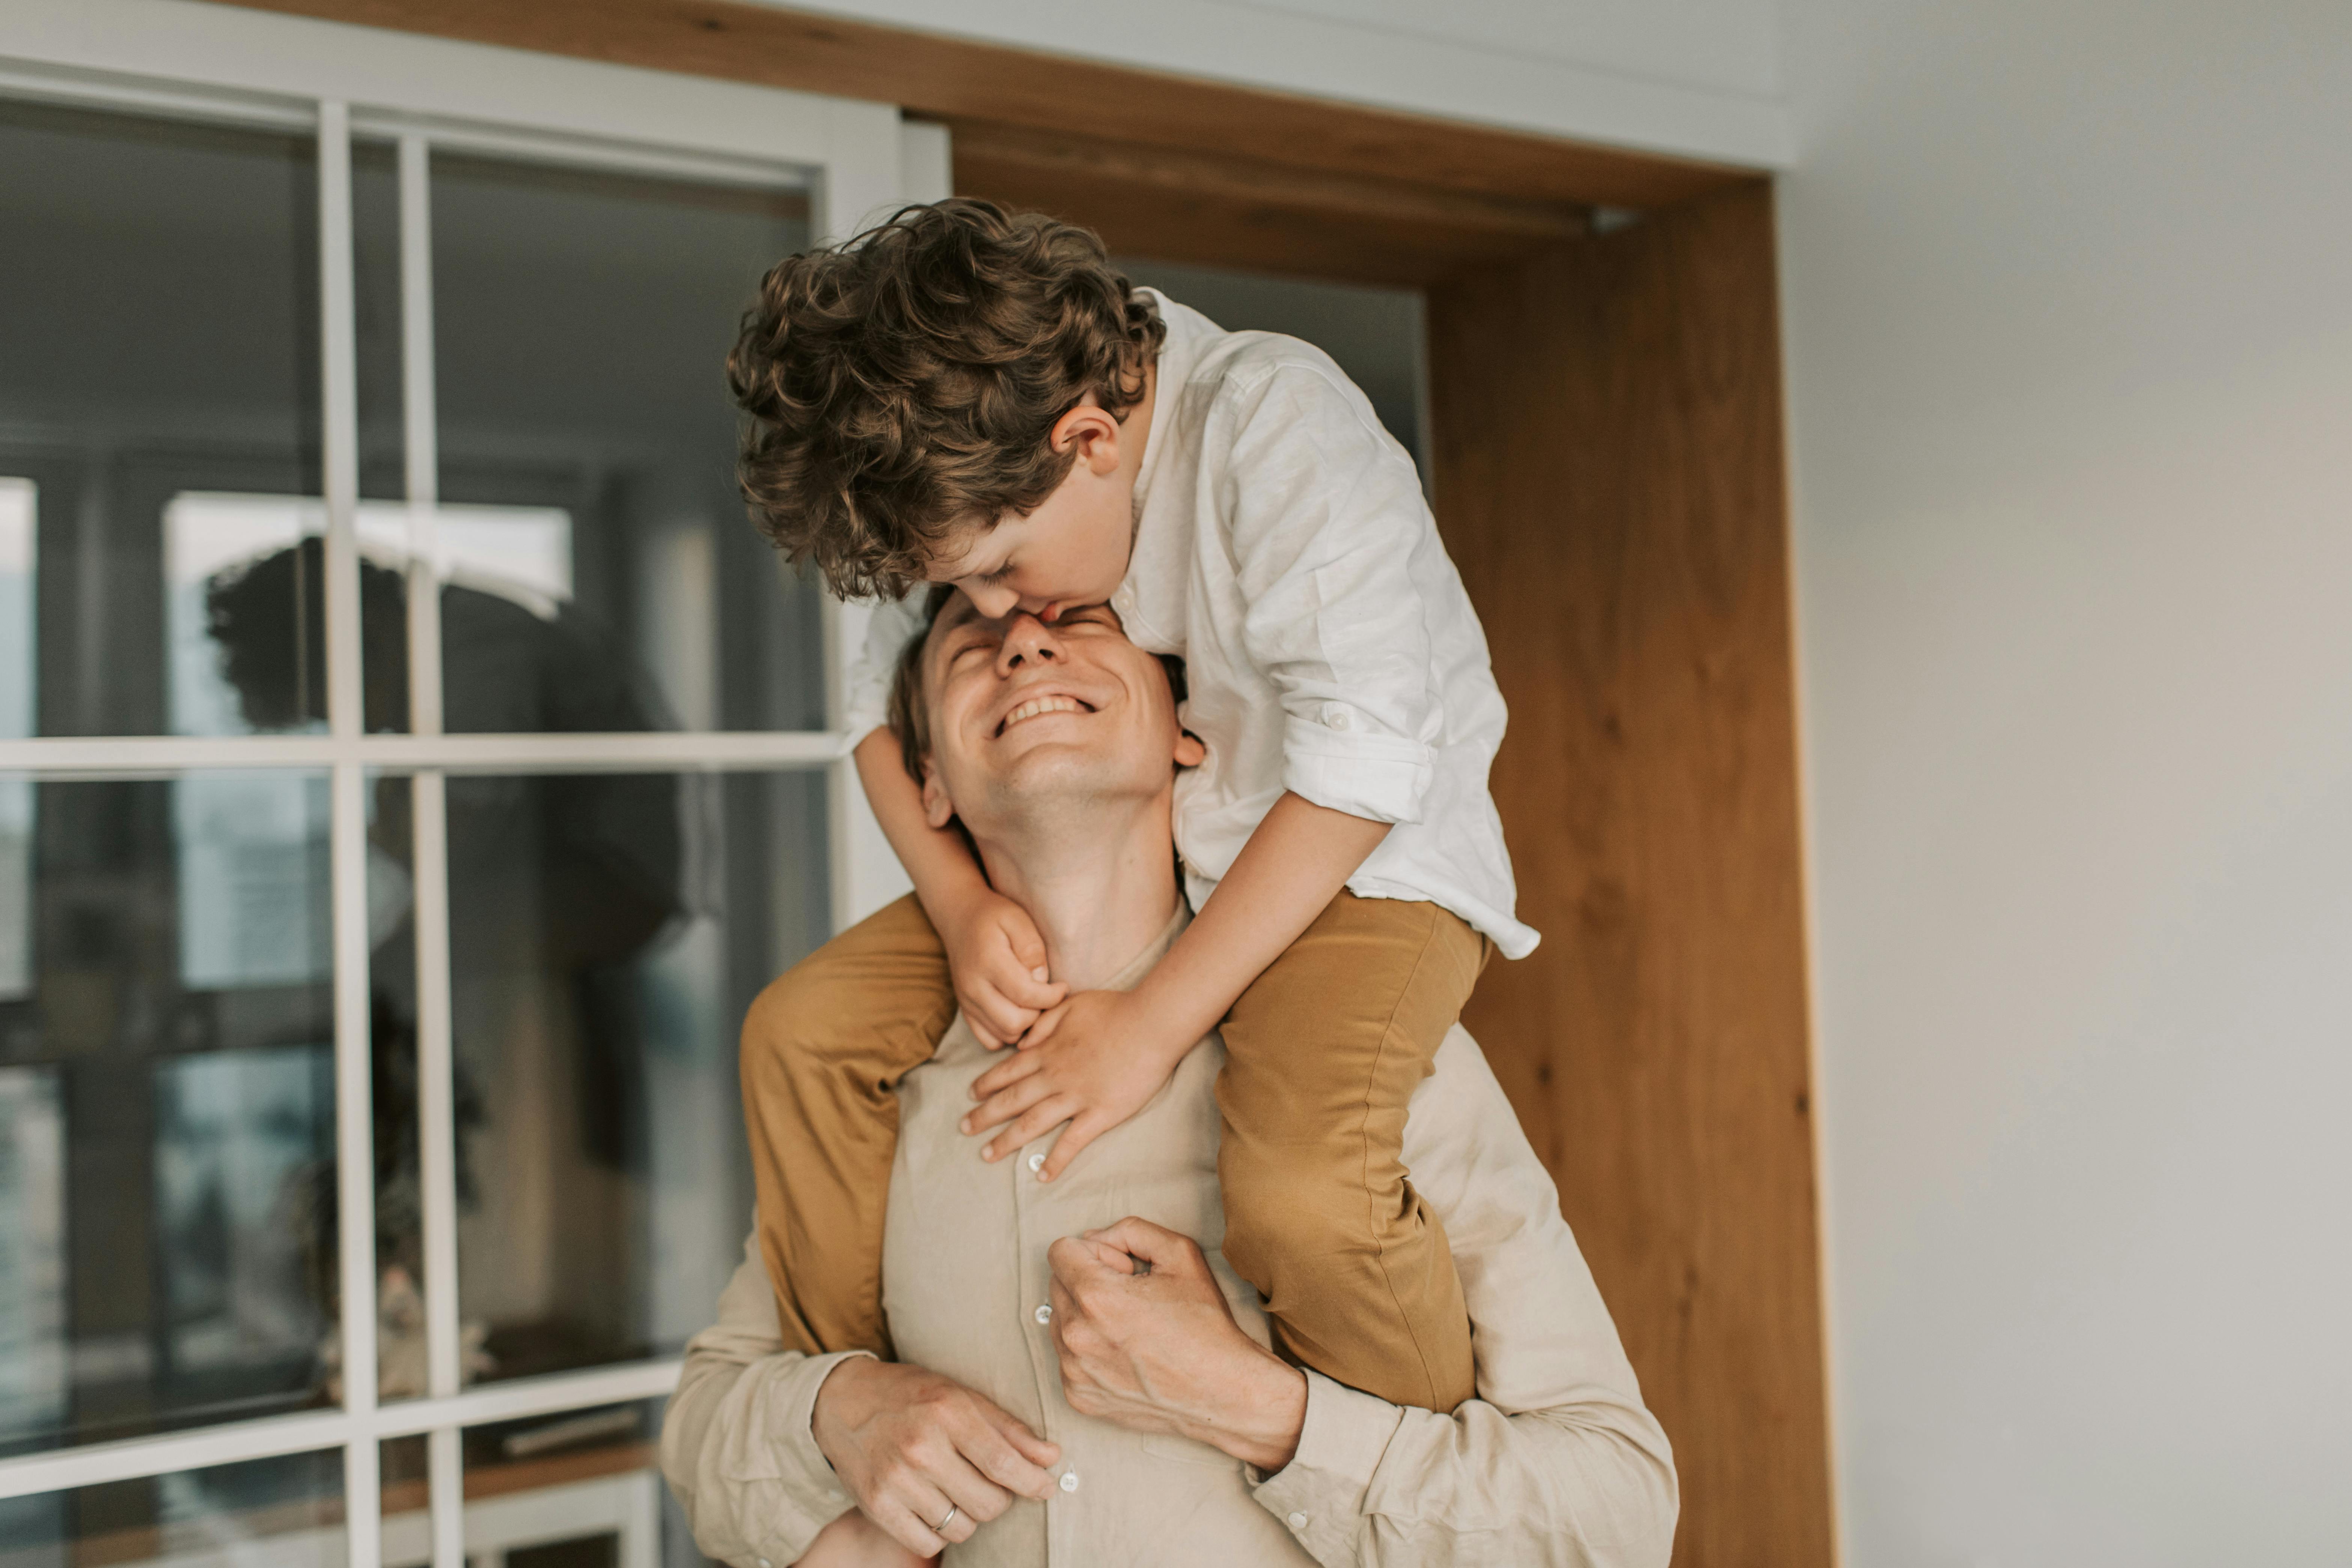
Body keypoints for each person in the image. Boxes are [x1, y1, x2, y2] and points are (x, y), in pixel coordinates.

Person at [662, 593, 1673, 1566]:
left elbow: (1618, 1515)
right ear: (928, 784)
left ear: (1189, 732)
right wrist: (840, 1412)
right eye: (970, 640)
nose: (1021, 643)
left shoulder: (1364, 1066)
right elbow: (702, 1426)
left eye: (1081, 620)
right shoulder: (869, 1097)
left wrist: (1248, 1401)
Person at [728, 200, 1537, 1414]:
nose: (998, 617)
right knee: (802, 1032)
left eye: (998, 569)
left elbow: (1369, 767)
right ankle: (875, 1418)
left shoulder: (1277, 429)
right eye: (959, 591)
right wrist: (954, 905)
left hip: (1364, 868)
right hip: (1163, 848)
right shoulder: (972, 468)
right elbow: (865, 717)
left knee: (1306, 1187)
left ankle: (1388, 1487)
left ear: (1091, 438)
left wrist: (1149, 1024)